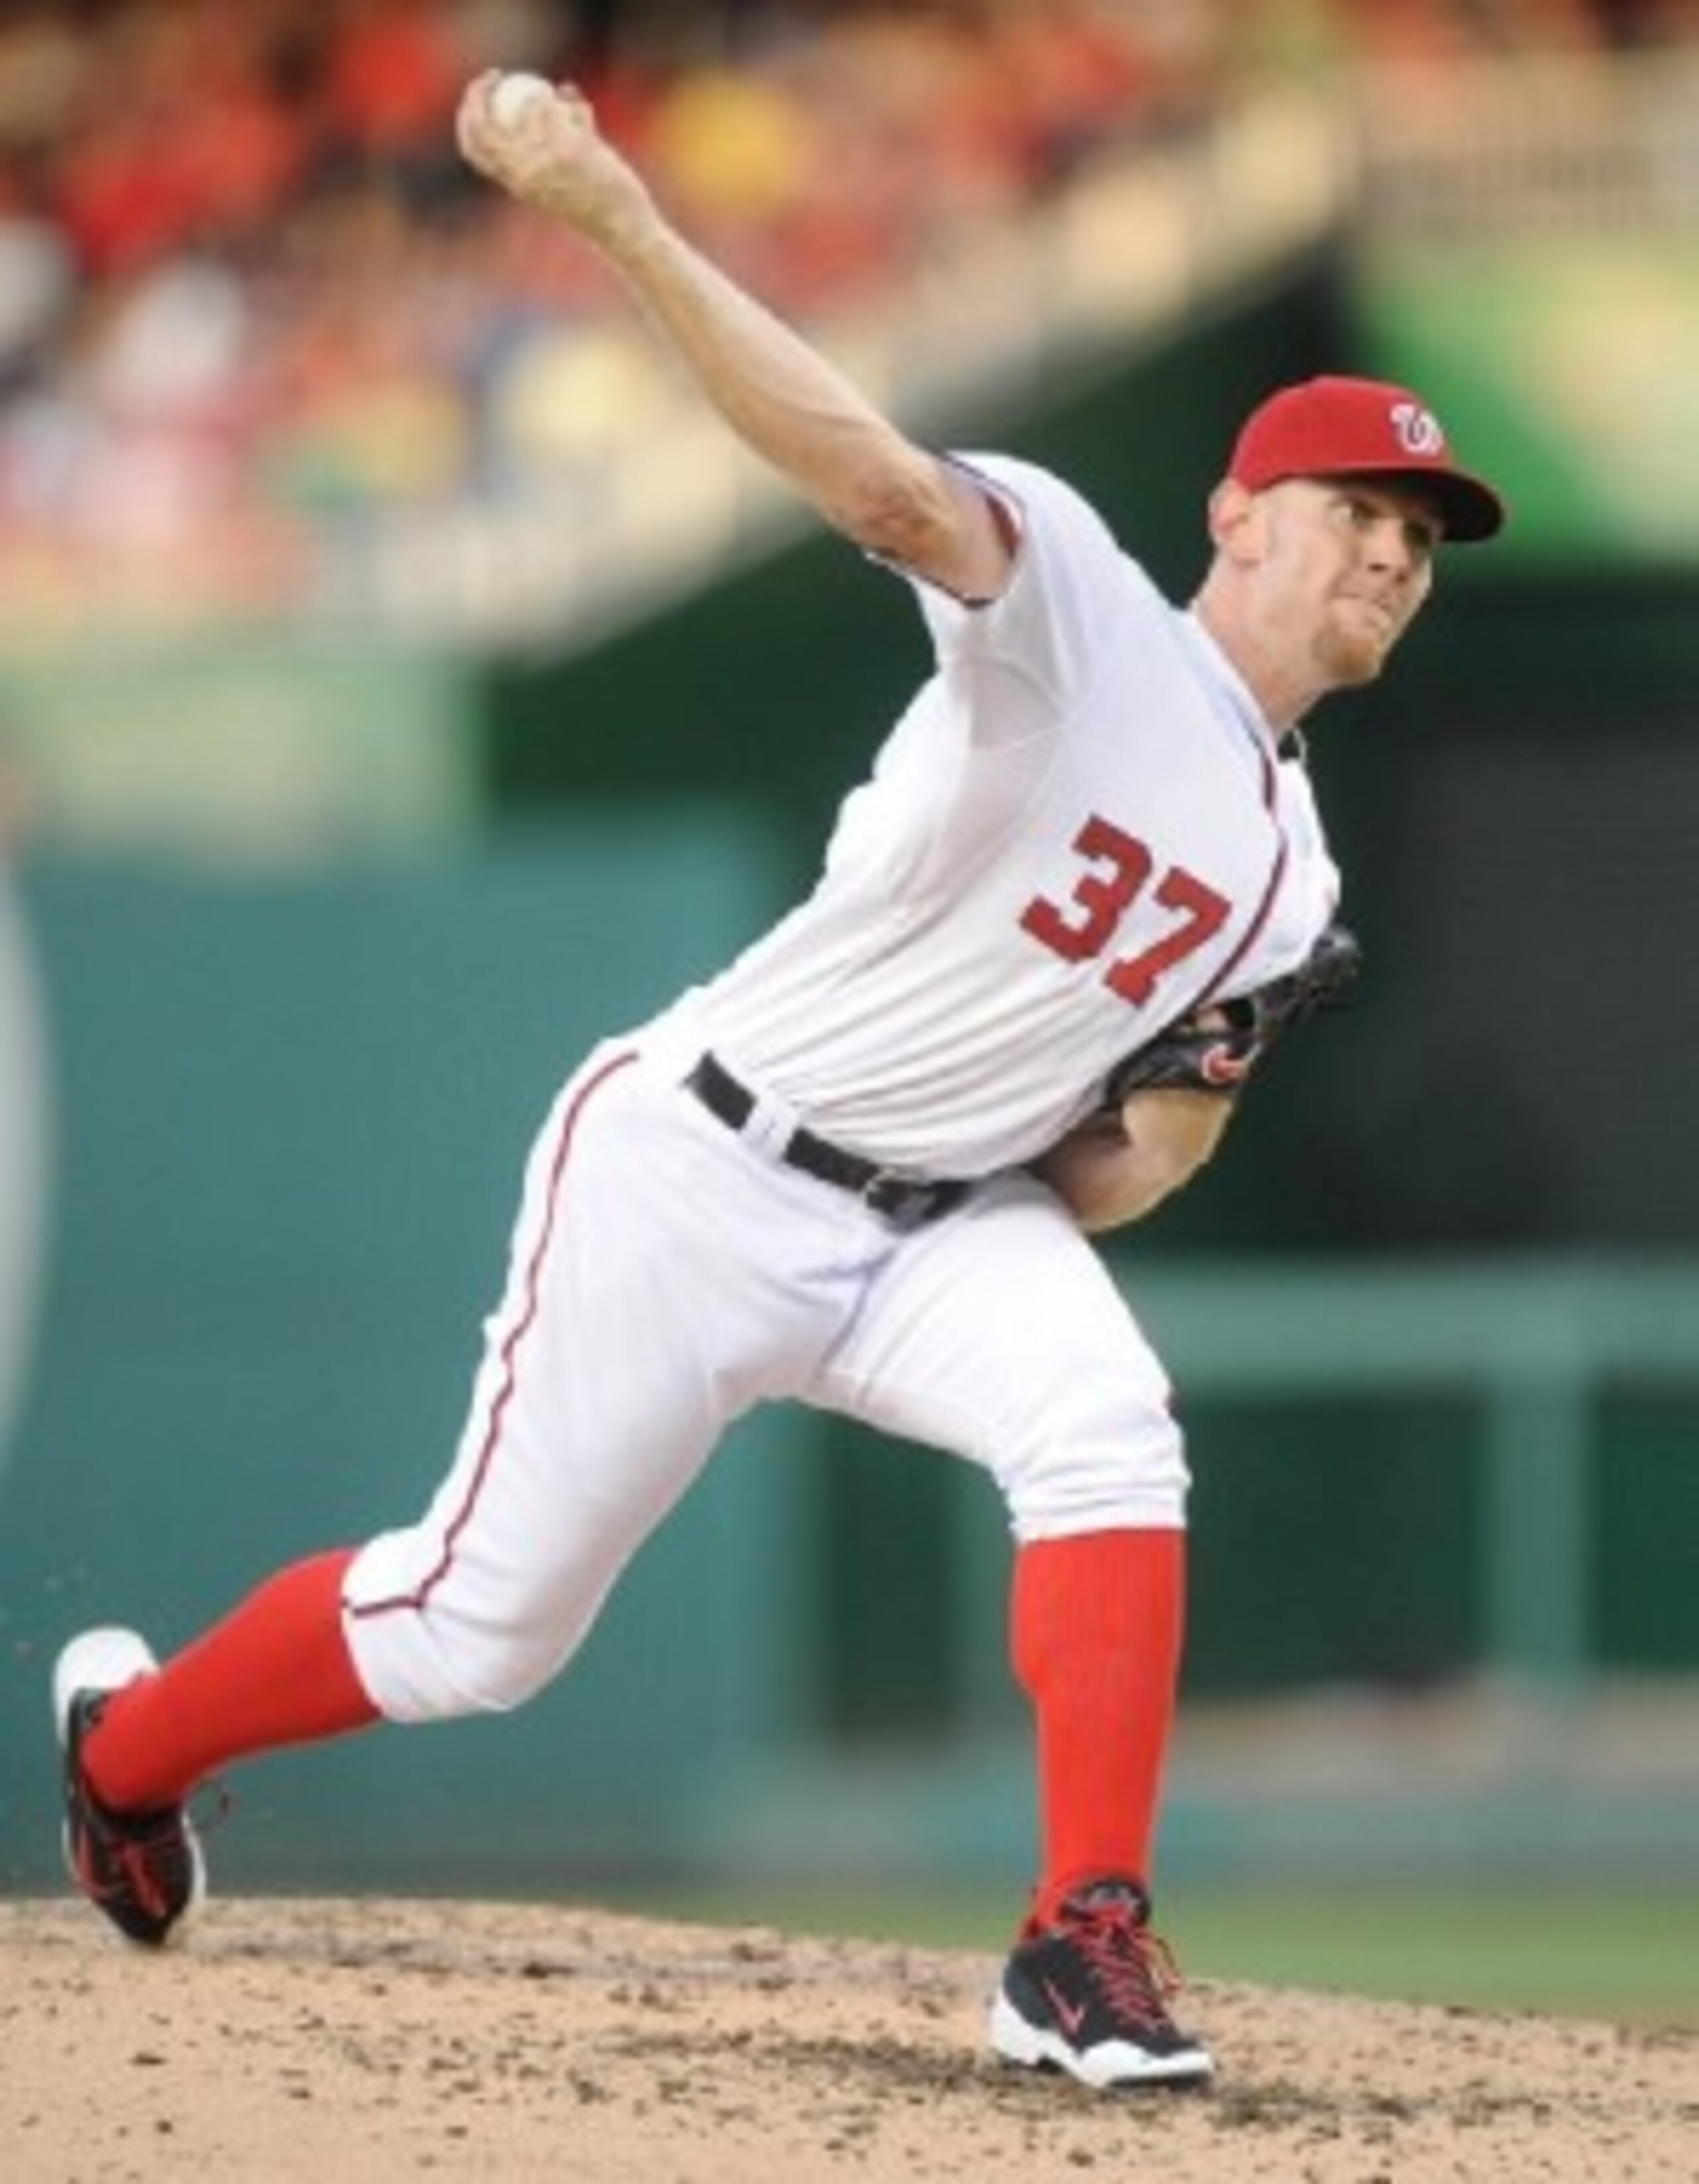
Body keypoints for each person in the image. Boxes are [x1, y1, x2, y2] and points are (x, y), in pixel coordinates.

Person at [52, 70, 1505, 2092]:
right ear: (1238, 513)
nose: (1394, 558)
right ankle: (125, 1757)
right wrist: (622, 220)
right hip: (704, 1162)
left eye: (1422, 538)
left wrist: (1177, 1107)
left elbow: (1129, 1169)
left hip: (939, 1219)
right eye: (1362, 512)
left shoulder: (1295, 872)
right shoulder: (1077, 602)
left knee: (1106, 1425)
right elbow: (888, 491)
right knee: (483, 1635)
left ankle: (1079, 1940)